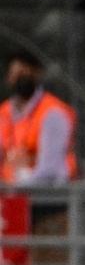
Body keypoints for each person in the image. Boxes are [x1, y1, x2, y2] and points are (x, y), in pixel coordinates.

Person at [0, 50, 76, 185]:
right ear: (9, 78)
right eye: (18, 74)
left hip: (47, 197)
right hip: (10, 195)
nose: (22, 78)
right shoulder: (3, 113)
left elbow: (49, 171)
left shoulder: (53, 113)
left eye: (27, 73)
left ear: (37, 75)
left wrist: (20, 178)